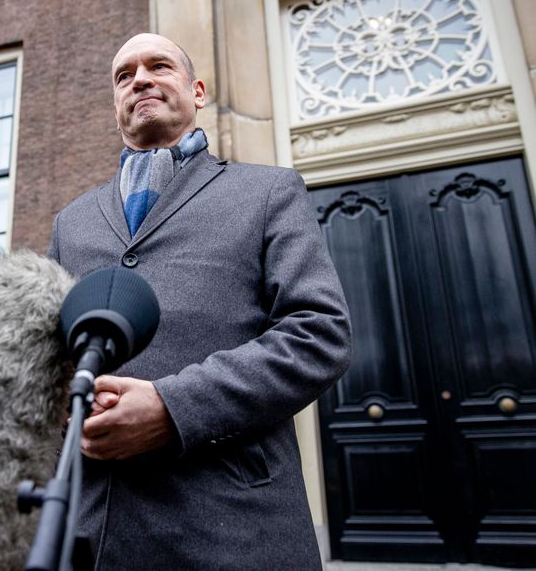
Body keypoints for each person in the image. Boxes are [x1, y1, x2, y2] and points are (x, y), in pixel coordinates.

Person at [47, 33, 351, 569]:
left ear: (198, 91)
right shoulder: (70, 222)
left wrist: (173, 408)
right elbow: (50, 357)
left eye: (158, 66)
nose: (139, 79)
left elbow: (318, 333)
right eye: (124, 76)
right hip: (94, 528)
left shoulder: (268, 192)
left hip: (231, 525)